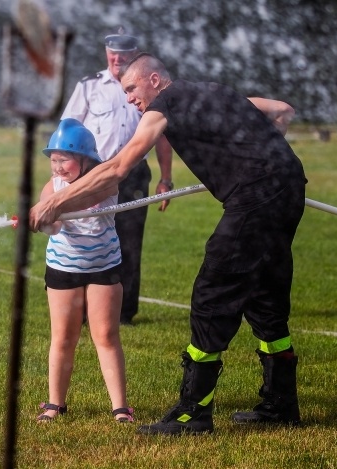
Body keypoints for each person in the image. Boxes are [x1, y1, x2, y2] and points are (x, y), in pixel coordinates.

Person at [29, 54, 307, 435]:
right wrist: (258, 155)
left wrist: (55, 202)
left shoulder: (164, 105)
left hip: (255, 199)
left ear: (155, 80)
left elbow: (117, 169)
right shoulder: (212, 92)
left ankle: (193, 413)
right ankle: (281, 404)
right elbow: (281, 111)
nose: (128, 99)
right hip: (290, 189)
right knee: (265, 293)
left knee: (212, 295)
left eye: (131, 88)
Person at [60, 27, 174, 325]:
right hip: (94, 173)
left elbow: (162, 136)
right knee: (87, 237)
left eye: (123, 53)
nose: (116, 57)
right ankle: (83, 308)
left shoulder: (146, 89)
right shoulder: (89, 86)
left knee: (129, 243)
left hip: (134, 176)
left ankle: (123, 313)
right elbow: (68, 131)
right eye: (111, 52)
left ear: (134, 55)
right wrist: (64, 175)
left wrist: (166, 177)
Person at [35, 118, 134, 424]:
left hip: (104, 265)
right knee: (63, 338)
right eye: (53, 160)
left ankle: (120, 408)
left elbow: (85, 196)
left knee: (105, 335)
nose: (58, 167)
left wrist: (54, 205)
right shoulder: (51, 186)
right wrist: (44, 220)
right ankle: (55, 404)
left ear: (85, 158)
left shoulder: (105, 181)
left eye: (64, 159)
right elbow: (55, 227)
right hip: (64, 268)